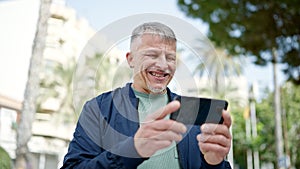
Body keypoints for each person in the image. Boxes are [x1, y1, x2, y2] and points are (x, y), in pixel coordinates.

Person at [61, 22, 232, 169]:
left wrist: (214, 163)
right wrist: (132, 149)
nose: (163, 65)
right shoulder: (98, 108)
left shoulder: (193, 113)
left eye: (170, 58)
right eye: (152, 55)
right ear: (131, 59)